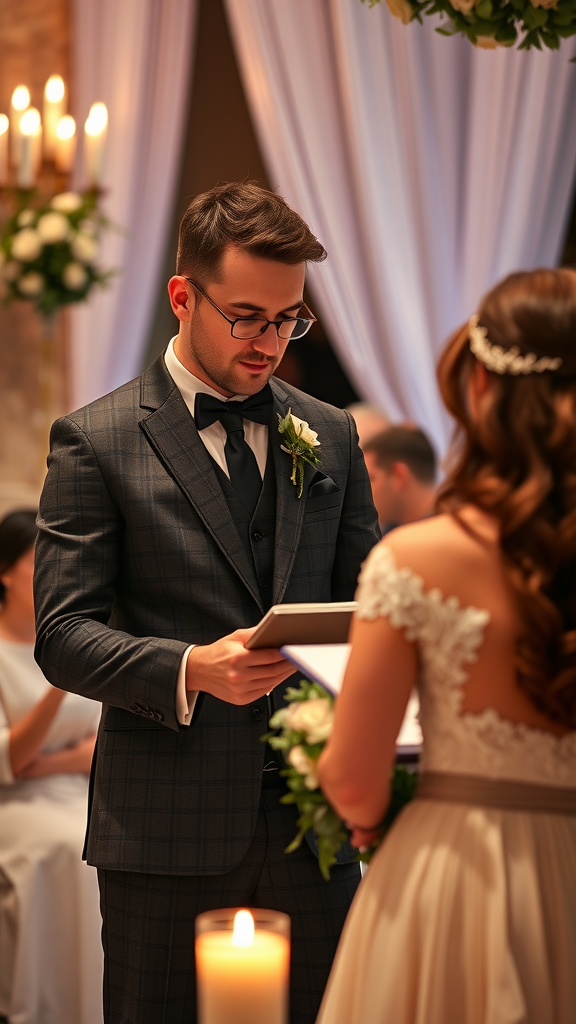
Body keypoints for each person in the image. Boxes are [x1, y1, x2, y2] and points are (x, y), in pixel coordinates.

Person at [33, 182, 380, 1024]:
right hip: (163, 832)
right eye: (248, 316)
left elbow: (373, 606)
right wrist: (190, 668)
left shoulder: (327, 431)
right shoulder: (98, 439)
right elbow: (62, 633)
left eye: (290, 318)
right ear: (183, 297)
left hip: (315, 829)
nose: (270, 342)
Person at [315, 267, 576, 1024]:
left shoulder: (416, 560)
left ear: (483, 389)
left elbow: (356, 779)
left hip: (461, 884)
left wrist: (369, 810)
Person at [0, 509, 102, 1024]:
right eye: (38, 558)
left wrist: (55, 761)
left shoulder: (79, 635)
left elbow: (99, 740)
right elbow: (10, 761)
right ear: (5, 571)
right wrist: (59, 682)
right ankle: (46, 1009)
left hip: (86, 786)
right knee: (66, 845)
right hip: (14, 803)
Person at [362, 424, 437, 531]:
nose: (360, 491)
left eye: (370, 479)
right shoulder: (388, 532)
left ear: (398, 475)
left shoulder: (453, 534)